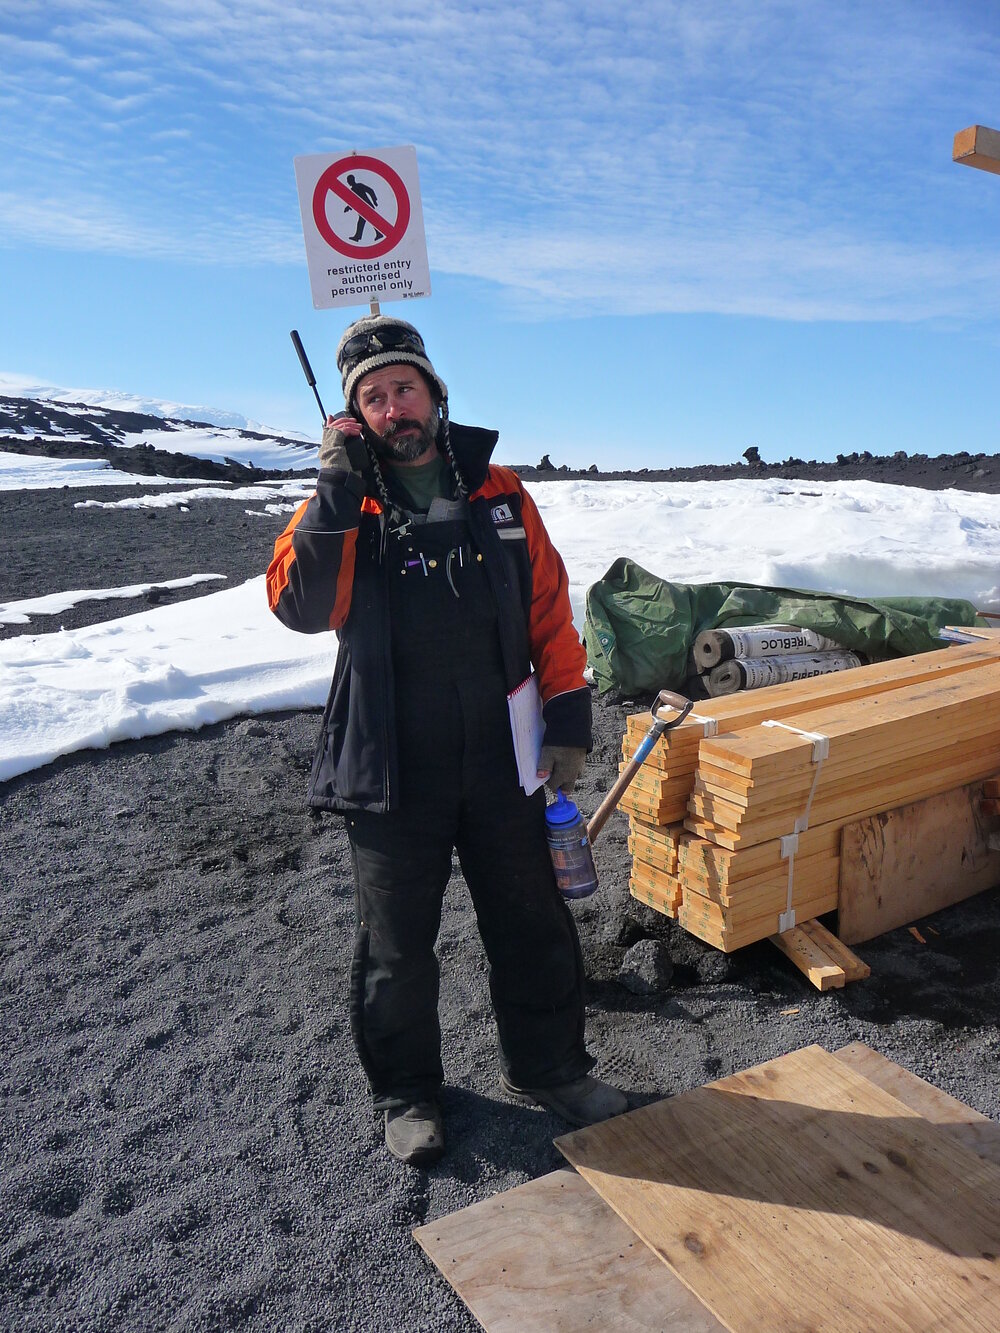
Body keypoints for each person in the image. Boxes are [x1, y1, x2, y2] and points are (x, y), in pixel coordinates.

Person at [266, 316, 626, 1166]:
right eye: (374, 397)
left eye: (406, 388)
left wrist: (567, 721)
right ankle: (408, 1091)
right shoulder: (342, 502)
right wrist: (333, 493)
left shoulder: (501, 493)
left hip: (504, 757)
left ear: (435, 393)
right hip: (392, 770)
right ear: (354, 415)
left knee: (531, 920)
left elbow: (549, 611)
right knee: (396, 947)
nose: (396, 407)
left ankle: (552, 1067)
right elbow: (301, 608)